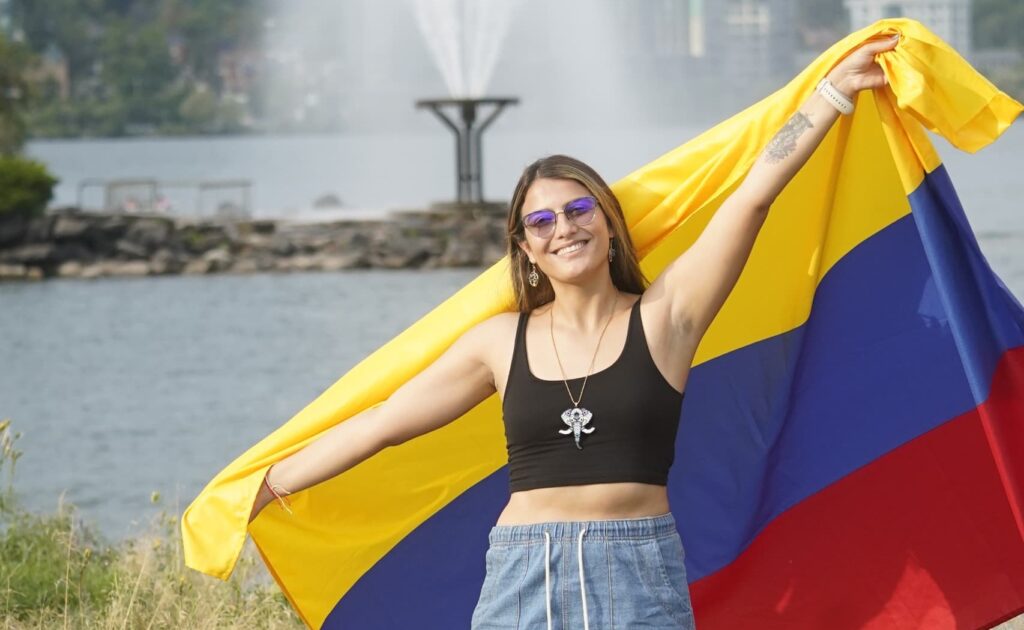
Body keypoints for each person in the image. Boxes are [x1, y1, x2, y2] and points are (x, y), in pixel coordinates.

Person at [247, 34, 899, 630]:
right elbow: (384, 423)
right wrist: (269, 485)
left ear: (609, 223)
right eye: (542, 222)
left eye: (579, 209)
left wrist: (830, 95)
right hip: (523, 575)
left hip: (638, 573)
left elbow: (751, 197)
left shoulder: (666, 317)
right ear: (526, 249)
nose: (564, 228)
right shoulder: (499, 342)